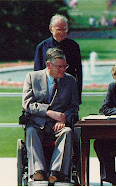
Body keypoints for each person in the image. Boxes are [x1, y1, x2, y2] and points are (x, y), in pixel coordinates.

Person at [23, 48, 79, 184]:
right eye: (59, 66)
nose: (63, 70)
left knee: (67, 132)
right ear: (48, 65)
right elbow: (27, 104)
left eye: (65, 66)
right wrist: (48, 112)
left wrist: (64, 118)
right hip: (38, 123)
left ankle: (56, 172)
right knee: (30, 131)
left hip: (59, 125)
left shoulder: (70, 81)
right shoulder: (32, 77)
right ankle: (38, 171)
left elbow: (73, 107)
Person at [34, 14, 82, 104]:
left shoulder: (74, 46)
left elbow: (79, 73)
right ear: (51, 29)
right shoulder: (41, 47)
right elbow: (37, 74)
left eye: (64, 29)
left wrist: (77, 97)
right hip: (46, 94)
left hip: (68, 93)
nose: (62, 32)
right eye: (58, 29)